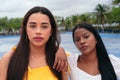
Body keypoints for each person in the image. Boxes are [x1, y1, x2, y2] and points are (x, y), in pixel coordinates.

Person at [0, 6, 68, 80]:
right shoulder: (9, 59)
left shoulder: (59, 60)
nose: (38, 31)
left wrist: (60, 49)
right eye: (33, 26)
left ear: (51, 31)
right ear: (26, 29)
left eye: (44, 26)